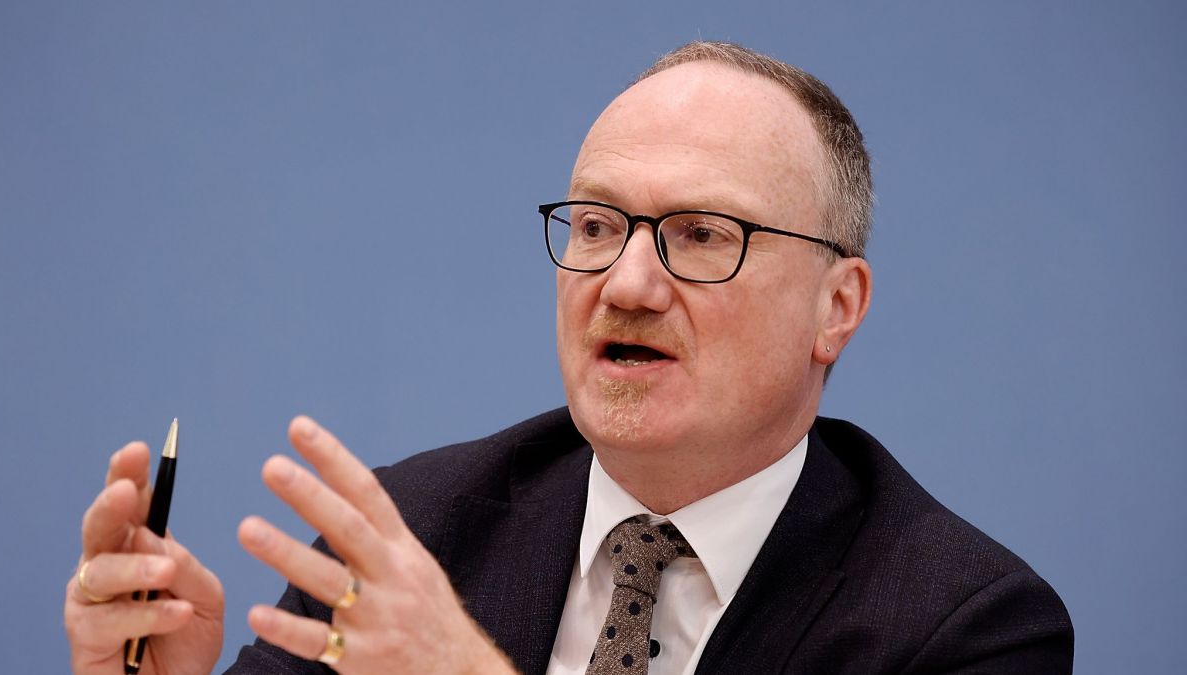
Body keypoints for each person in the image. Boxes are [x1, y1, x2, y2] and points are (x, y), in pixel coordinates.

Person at [64, 41, 1073, 674]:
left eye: (702, 235)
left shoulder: (965, 626)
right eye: (596, 226)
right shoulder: (410, 533)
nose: (627, 284)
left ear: (836, 306)